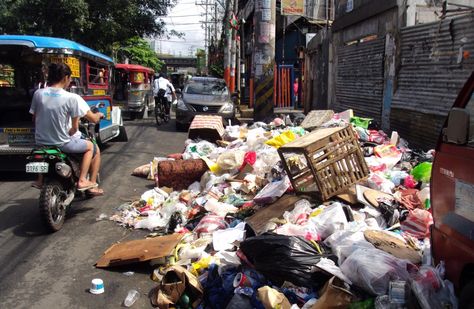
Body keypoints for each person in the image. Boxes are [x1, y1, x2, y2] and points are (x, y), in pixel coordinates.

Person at [29, 63, 104, 195]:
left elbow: (34, 119)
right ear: (65, 77)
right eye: (69, 78)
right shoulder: (71, 98)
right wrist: (69, 132)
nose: (70, 82)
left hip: (40, 142)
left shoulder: (38, 94)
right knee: (91, 147)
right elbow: (74, 128)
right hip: (62, 143)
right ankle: (82, 180)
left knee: (42, 152)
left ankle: (39, 180)